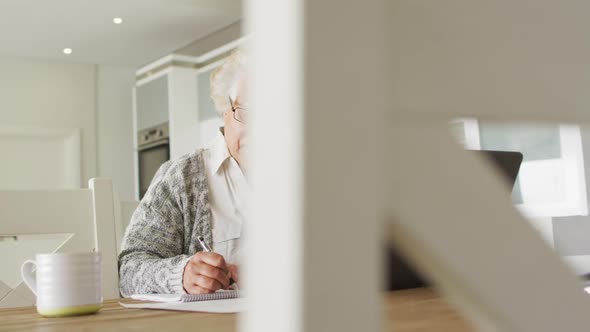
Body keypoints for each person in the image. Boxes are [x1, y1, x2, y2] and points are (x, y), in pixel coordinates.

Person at [118, 49, 248, 296]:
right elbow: (128, 271)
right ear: (225, 110)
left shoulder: (318, 175)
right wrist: (182, 275)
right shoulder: (182, 177)